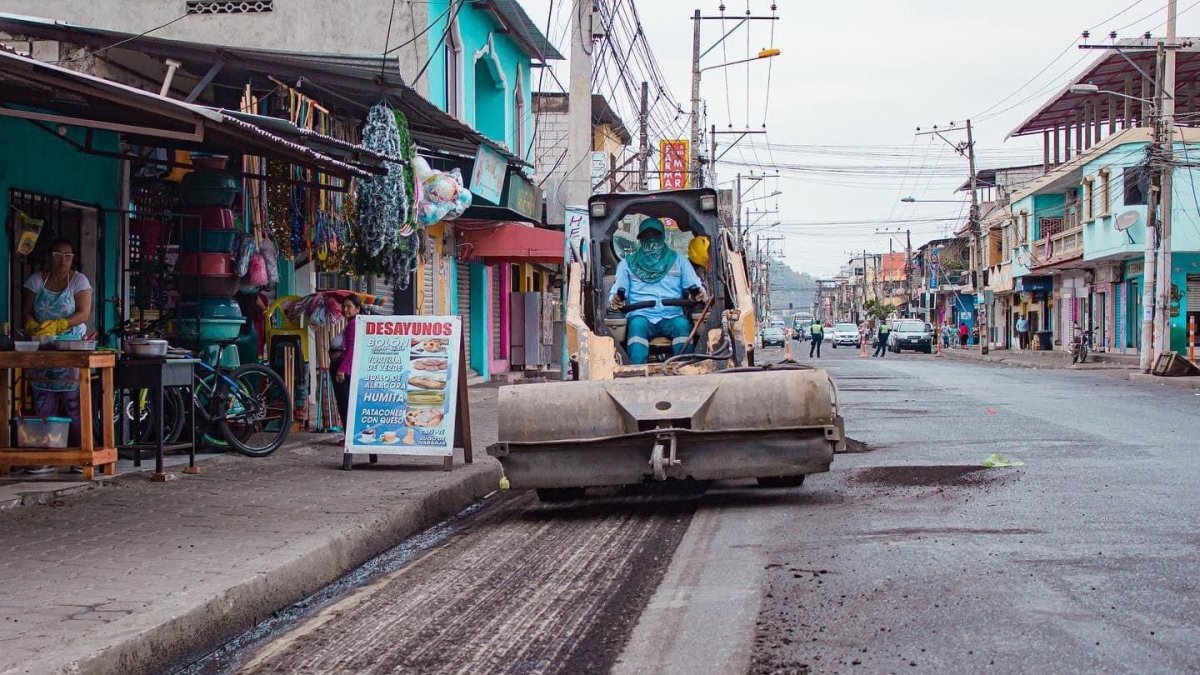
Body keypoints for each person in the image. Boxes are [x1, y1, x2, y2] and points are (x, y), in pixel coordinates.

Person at [22, 238, 93, 457]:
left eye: (68, 255)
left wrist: (62, 323)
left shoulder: (78, 281)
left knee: (75, 402)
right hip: (43, 348)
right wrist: (32, 324)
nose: (63, 260)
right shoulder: (36, 280)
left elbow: (83, 312)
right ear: (49, 257)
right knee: (44, 401)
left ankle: (79, 453)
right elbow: (26, 310)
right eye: (58, 255)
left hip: (70, 347)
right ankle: (47, 454)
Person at [609, 218, 707, 364]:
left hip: (672, 316)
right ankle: (636, 372)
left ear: (663, 237)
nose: (651, 241)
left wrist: (698, 293)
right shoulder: (626, 264)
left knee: (682, 326)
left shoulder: (679, 260)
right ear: (640, 239)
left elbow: (694, 285)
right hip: (641, 315)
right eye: (646, 237)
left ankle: (684, 368)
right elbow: (618, 289)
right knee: (637, 327)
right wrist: (616, 298)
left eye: (655, 236)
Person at [333, 295, 363, 428]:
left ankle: (348, 437)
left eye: (349, 306)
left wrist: (342, 369)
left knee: (345, 403)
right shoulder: (352, 323)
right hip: (347, 370)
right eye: (344, 306)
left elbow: (352, 349)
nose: (345, 309)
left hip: (346, 372)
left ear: (357, 309)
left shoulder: (353, 325)